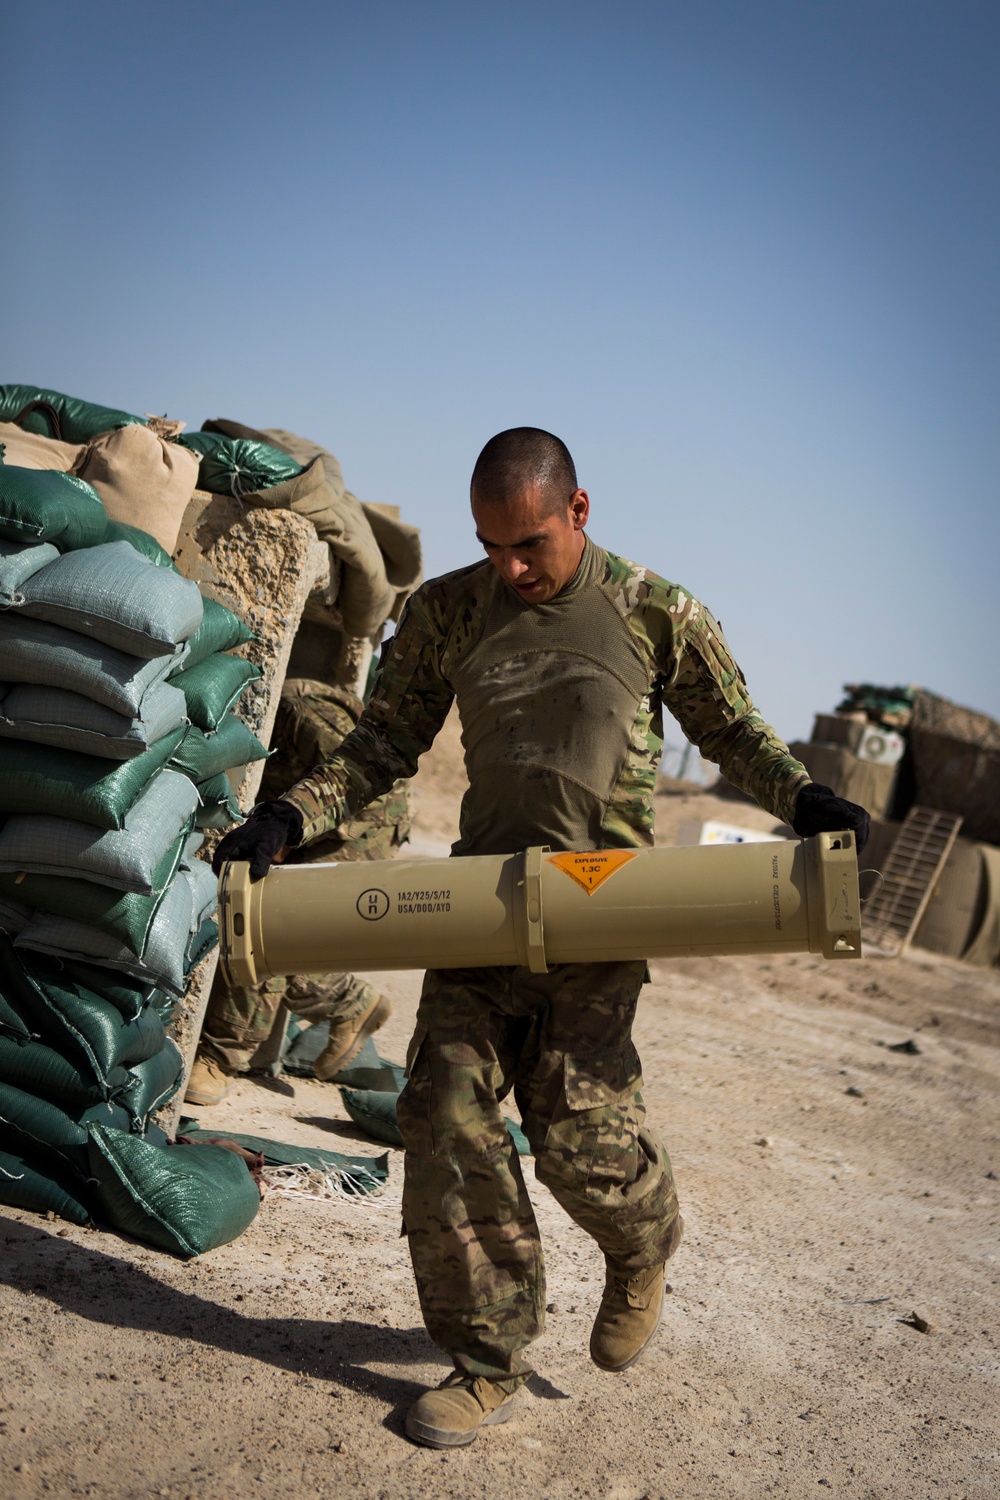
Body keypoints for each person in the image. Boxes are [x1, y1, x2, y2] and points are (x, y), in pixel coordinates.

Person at [213, 428, 869, 1448]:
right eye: (491, 546)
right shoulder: (447, 614)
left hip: (604, 915)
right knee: (443, 1115)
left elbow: (736, 732)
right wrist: (288, 817)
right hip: (481, 910)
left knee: (578, 1146)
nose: (511, 569)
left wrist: (807, 798)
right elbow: (384, 743)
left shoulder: (657, 611)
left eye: (530, 546)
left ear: (579, 513)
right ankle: (485, 1359)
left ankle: (644, 1240)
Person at [185, 678, 411, 1106]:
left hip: (364, 822)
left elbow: (358, 779)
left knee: (267, 915)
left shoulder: (296, 709)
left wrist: (288, 834)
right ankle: (350, 1003)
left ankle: (220, 1058)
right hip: (310, 821)